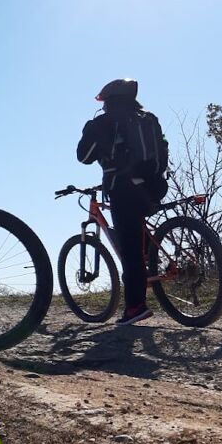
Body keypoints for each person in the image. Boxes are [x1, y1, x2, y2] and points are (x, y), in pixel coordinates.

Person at [77, 78, 169, 326]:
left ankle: (135, 307)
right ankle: (152, 266)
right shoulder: (148, 118)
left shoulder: (104, 122)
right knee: (136, 235)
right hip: (155, 186)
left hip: (124, 188)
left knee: (130, 250)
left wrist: (91, 129)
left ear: (108, 101)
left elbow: (83, 157)